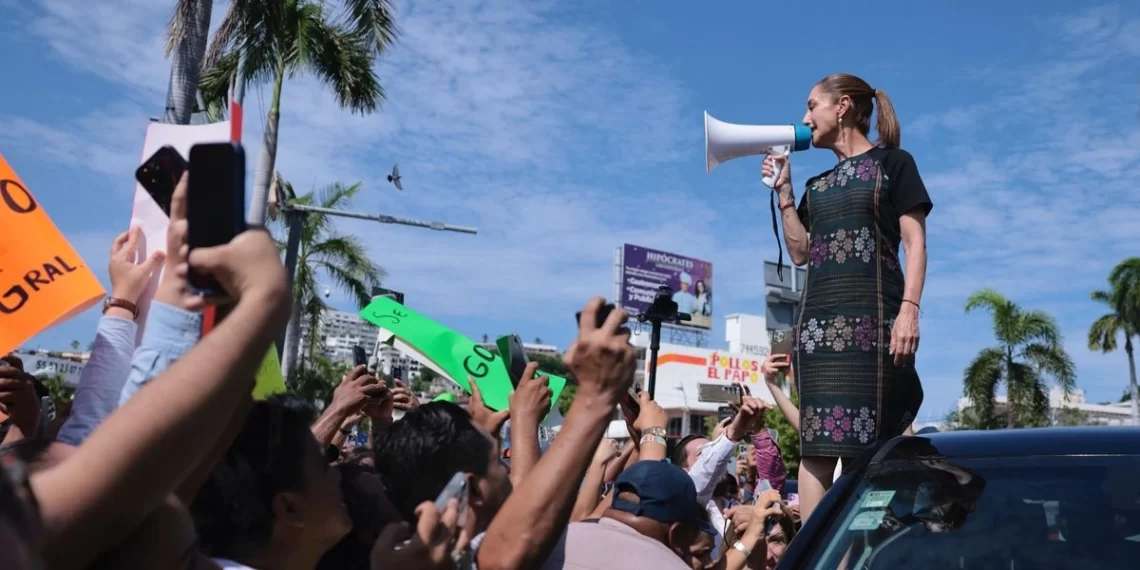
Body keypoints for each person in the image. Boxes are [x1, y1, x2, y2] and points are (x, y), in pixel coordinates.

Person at [762, 72, 932, 520]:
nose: (804, 118)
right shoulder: (816, 187)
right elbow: (799, 252)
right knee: (816, 450)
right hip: (816, 334)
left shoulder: (894, 164)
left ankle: (867, 550)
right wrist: (784, 192)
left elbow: (915, 243)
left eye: (811, 105)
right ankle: (817, 553)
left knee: (871, 449)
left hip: (875, 327)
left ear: (840, 107)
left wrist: (909, 311)